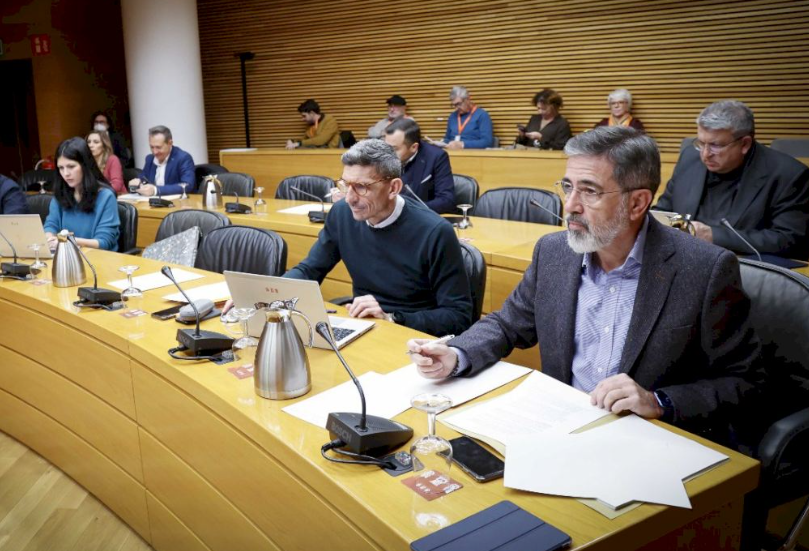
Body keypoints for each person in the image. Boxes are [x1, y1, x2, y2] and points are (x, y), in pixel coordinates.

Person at [408, 127, 763, 445]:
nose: (570, 205)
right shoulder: (554, 252)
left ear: (637, 202)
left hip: (648, 440)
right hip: (559, 429)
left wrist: (659, 402)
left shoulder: (702, 269)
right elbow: (507, 323)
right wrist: (458, 353)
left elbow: (745, 382)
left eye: (589, 191)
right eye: (567, 187)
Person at [285, 138, 472, 336]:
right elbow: (309, 270)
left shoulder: (435, 231)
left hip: (413, 338)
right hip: (363, 326)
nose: (350, 198)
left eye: (362, 187)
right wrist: (273, 292)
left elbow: (458, 317)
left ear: (393, 188)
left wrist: (391, 318)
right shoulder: (341, 214)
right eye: (345, 184)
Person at [655, 100, 809, 260]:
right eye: (701, 143)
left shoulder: (788, 175)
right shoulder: (690, 157)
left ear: (744, 144)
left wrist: (713, 236)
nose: (705, 154)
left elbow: (789, 241)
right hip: (683, 260)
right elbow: (665, 210)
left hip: (743, 268)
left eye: (715, 145)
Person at [44, 137, 120, 252]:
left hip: (99, 260)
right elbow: (50, 226)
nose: (66, 173)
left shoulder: (105, 196)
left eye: (71, 166)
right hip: (66, 257)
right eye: (61, 168)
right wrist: (49, 238)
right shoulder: (60, 193)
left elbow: (104, 242)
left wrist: (66, 240)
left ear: (85, 165)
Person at [384, 118, 455, 213]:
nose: (388, 153)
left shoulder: (436, 157)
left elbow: (446, 201)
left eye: (394, 149)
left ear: (414, 147)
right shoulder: (382, 156)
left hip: (420, 218)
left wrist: (410, 210)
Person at [127, 125, 197, 197]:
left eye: (158, 147)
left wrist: (156, 190)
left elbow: (187, 185)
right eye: (151, 147)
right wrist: (136, 183)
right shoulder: (150, 159)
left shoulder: (183, 158)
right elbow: (143, 179)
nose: (154, 152)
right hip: (152, 204)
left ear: (170, 143)